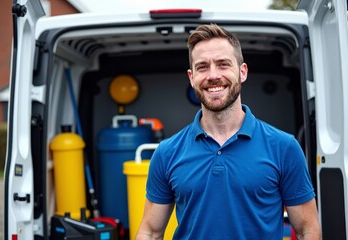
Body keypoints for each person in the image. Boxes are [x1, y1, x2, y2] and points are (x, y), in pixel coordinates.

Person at [136, 24, 321, 239]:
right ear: (191, 77)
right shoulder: (167, 153)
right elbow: (150, 231)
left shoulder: (284, 147)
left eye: (223, 64)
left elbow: (308, 229)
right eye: (202, 67)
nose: (213, 75)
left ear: (242, 72)